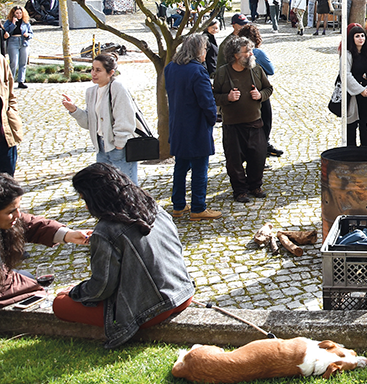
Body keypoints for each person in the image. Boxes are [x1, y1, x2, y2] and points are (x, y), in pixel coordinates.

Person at [52, 163, 194, 349]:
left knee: (60, 304)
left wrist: (75, 292)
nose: (86, 206)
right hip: (183, 292)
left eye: (84, 198)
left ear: (95, 198)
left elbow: (102, 287)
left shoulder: (106, 230)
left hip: (153, 309)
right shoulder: (152, 206)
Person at [0, 173, 91, 307]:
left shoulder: (11, 219)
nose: (18, 215)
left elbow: (30, 224)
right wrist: (41, 291)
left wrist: (68, 235)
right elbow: (5, 286)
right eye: (11, 211)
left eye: (18, 208)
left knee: (27, 276)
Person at [61, 52, 150, 185]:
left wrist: (119, 144)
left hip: (120, 147)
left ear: (110, 72)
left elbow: (125, 118)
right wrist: (74, 110)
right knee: (107, 189)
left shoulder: (117, 88)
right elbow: (89, 123)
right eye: (92, 69)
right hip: (101, 148)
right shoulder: (91, 92)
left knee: (127, 188)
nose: (93, 73)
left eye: (98, 70)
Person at [164, 33, 220, 220]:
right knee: (199, 168)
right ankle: (198, 207)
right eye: (204, 49)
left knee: (180, 167)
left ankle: (178, 205)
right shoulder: (197, 71)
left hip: (178, 124)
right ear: (198, 50)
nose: (206, 52)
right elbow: (207, 101)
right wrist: (212, 119)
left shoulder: (171, 68)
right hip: (195, 125)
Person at [213, 35, 273, 203]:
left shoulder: (256, 70)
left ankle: (255, 185)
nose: (250, 54)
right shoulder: (222, 73)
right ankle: (240, 190)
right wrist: (227, 98)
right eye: (246, 51)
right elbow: (214, 96)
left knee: (258, 156)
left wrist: (260, 95)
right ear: (235, 55)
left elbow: (268, 88)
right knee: (234, 160)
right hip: (232, 125)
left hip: (255, 122)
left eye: (251, 50)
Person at [238, 24, 282, 157]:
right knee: (264, 122)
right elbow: (271, 70)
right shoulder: (257, 53)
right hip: (259, 90)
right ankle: (260, 151)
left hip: (242, 92)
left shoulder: (236, 53)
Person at [341, 24, 367, 148]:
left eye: (362, 36)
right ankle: (351, 153)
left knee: (366, 124)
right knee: (351, 125)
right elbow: (345, 74)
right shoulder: (347, 54)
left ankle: (366, 151)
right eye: (357, 36)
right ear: (352, 38)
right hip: (353, 94)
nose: (360, 38)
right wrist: (359, 90)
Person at [0, 55, 23, 175]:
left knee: (7, 180)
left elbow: (10, 94)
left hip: (4, 132)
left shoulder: (0, 60)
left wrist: (12, 112)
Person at [2, 5, 32, 89]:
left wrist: (28, 35)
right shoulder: (9, 22)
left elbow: (31, 33)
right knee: (13, 62)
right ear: (13, 14)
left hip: (23, 42)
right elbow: (6, 32)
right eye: (17, 13)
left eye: (20, 13)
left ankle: (21, 81)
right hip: (13, 41)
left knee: (23, 63)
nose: (19, 15)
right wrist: (13, 23)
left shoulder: (26, 22)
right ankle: (9, 81)